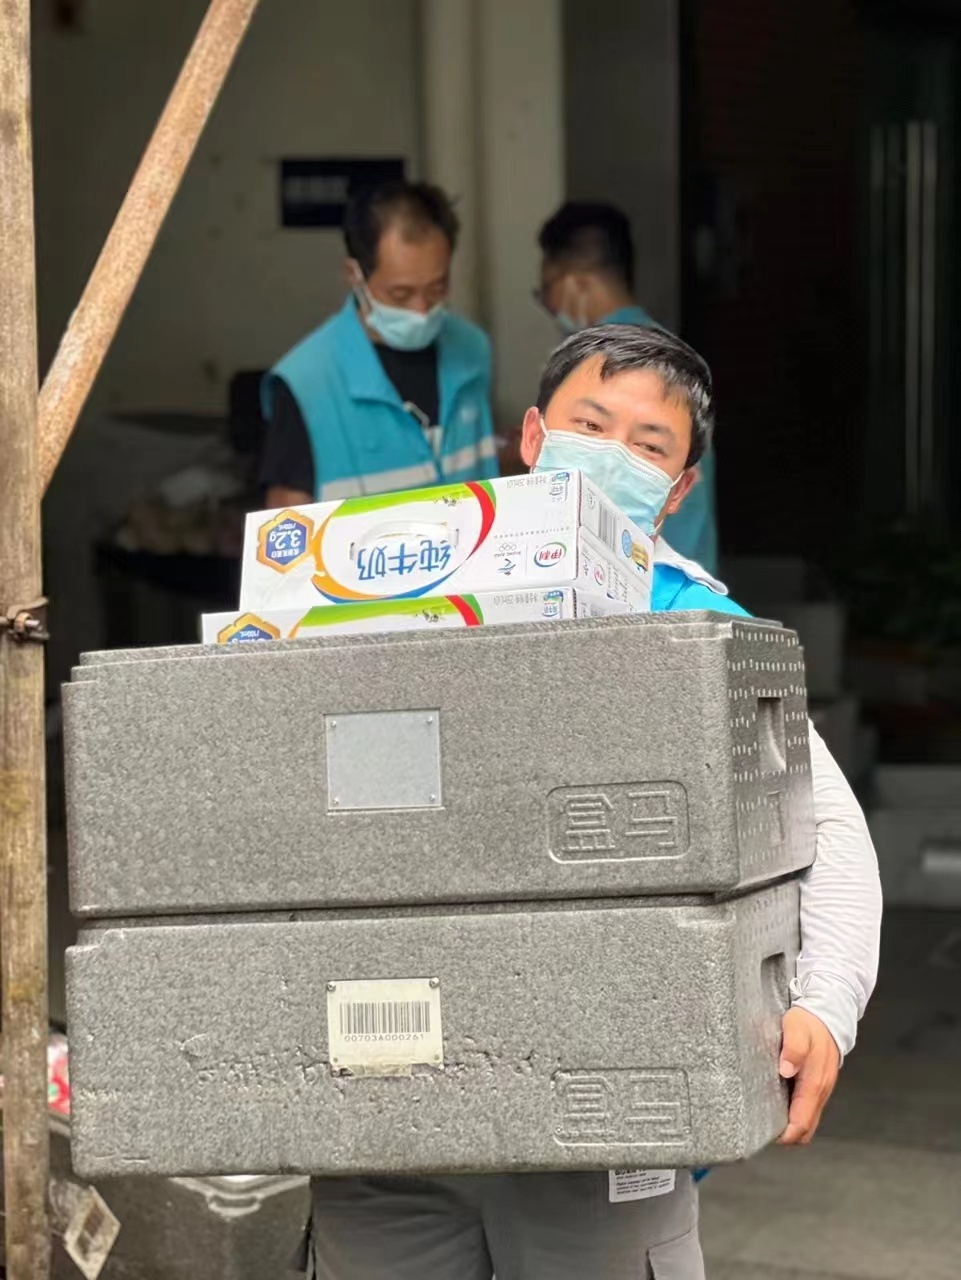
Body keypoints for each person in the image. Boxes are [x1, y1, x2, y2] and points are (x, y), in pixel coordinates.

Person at [299, 325, 883, 1280]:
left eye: (647, 446)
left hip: (610, 1119)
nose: (612, 456)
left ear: (679, 488)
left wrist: (824, 1005)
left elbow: (824, 822)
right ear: (534, 437)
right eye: (590, 425)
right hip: (390, 1109)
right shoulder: (395, 587)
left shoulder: (697, 628)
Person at [260, 181, 498, 507]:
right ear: (354, 275)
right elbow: (286, 523)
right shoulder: (307, 382)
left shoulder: (472, 349)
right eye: (401, 294)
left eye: (437, 289)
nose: (421, 311)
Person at [535, 201, 717, 574]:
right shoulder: (677, 364)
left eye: (546, 290)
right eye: (591, 425)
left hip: (641, 576)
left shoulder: (593, 369)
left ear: (576, 283)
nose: (549, 306)